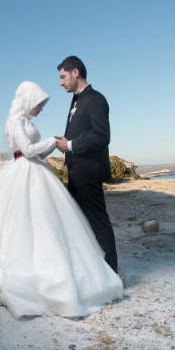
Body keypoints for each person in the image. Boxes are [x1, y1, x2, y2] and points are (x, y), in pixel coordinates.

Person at [0, 81, 123, 318]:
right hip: (22, 171)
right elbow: (26, 151)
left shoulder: (27, 123)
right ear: (28, 100)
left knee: (48, 223)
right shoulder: (14, 122)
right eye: (39, 104)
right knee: (21, 220)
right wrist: (53, 142)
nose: (41, 109)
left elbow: (38, 152)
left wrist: (51, 146)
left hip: (36, 170)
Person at [56, 56, 118, 273]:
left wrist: (70, 145)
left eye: (63, 77)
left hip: (89, 173)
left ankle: (111, 274)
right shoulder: (76, 100)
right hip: (75, 173)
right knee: (79, 225)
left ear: (75, 72)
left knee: (99, 225)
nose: (61, 82)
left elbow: (102, 136)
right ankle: (91, 271)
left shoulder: (96, 99)